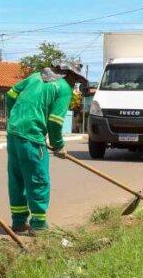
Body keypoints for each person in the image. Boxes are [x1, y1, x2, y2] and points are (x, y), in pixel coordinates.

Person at [5, 62, 88, 233]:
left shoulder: (35, 77)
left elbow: (11, 94)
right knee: (38, 179)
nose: (75, 84)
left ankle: (18, 221)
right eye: (76, 80)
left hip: (13, 133)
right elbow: (55, 121)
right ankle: (38, 224)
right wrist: (59, 145)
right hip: (33, 137)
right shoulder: (64, 88)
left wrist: (17, 116)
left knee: (17, 178)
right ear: (69, 75)